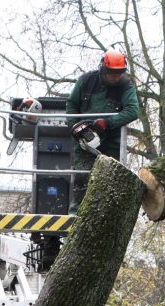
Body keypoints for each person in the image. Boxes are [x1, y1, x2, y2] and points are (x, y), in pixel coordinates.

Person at [66, 49, 140, 213]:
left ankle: (105, 216)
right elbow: (71, 105)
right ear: (103, 70)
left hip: (111, 142)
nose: (116, 77)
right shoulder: (86, 81)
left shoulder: (125, 85)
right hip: (84, 140)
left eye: (119, 73)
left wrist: (107, 123)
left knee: (109, 181)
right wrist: (74, 126)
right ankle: (76, 214)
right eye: (112, 73)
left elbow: (133, 110)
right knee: (83, 178)